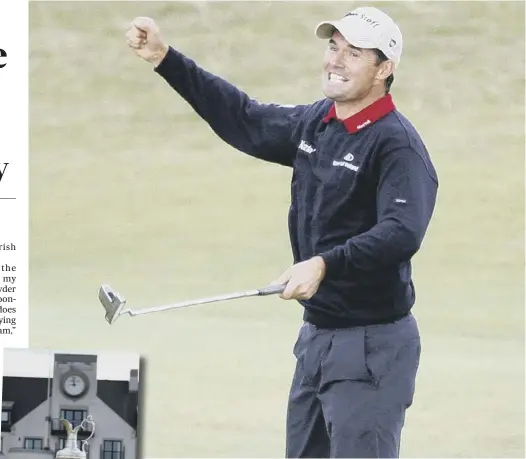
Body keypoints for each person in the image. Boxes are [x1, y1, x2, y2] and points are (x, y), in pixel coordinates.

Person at [125, 6, 438, 458]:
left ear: (384, 69)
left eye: (354, 53)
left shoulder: (396, 144)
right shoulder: (318, 122)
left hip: (372, 344)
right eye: (333, 47)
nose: (336, 60)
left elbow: (402, 231)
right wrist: (166, 59)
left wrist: (325, 262)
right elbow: (246, 119)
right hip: (317, 338)